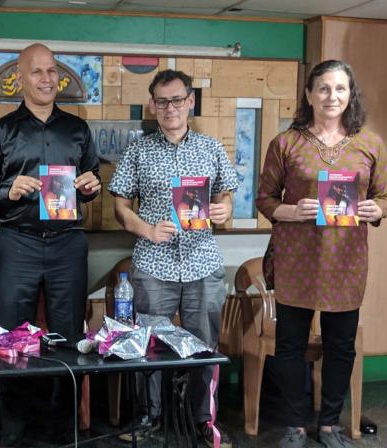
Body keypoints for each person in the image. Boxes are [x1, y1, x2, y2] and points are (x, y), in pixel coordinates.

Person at [256, 60, 387, 448]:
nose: (332, 96)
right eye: (324, 89)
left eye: (340, 89)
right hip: (297, 259)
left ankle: (329, 424)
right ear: (309, 95)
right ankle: (296, 425)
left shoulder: (370, 143)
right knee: (289, 346)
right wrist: (291, 211)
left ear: (350, 95)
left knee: (340, 345)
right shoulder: (286, 143)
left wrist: (376, 209)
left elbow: (385, 197)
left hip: (346, 261)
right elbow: (265, 200)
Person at [0, 43, 100, 446]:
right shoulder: (0, 131)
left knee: (66, 334)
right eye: (38, 72)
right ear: (20, 78)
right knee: (14, 336)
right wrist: (8, 189)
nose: (47, 80)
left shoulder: (78, 129)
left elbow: (92, 180)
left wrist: (90, 186)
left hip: (68, 244)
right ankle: (14, 428)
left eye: (52, 72)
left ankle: (62, 428)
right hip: (19, 243)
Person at [108, 69, 237, 448]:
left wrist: (224, 210)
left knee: (204, 346)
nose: (170, 108)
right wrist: (145, 229)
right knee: (148, 345)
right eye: (162, 101)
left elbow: (227, 197)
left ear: (190, 101)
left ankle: (202, 420)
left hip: (202, 263)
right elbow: (120, 206)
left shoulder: (212, 148)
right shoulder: (138, 150)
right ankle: (151, 417)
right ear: (152, 105)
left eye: (177, 100)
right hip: (153, 264)